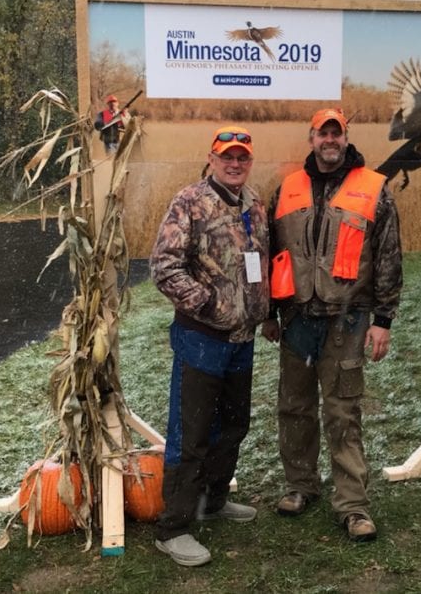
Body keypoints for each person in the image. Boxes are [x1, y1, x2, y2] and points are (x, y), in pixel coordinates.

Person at [262, 108, 403, 542]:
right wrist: (269, 312)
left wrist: (383, 319)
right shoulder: (287, 189)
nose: (329, 141)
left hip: (348, 321)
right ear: (311, 138)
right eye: (322, 134)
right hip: (298, 319)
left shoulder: (373, 189)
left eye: (335, 134)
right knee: (294, 408)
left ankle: (353, 505)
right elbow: (270, 253)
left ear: (346, 138)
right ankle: (300, 485)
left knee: (343, 413)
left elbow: (388, 257)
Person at [149, 125, 270, 567]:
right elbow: (164, 266)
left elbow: (260, 264)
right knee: (192, 434)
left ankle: (214, 500)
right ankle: (174, 527)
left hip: (243, 339)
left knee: (234, 425)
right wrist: (208, 303)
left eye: (242, 157)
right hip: (202, 338)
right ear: (212, 157)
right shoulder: (190, 202)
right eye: (227, 156)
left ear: (249, 161)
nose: (234, 163)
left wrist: (262, 312)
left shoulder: (255, 204)